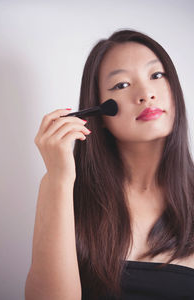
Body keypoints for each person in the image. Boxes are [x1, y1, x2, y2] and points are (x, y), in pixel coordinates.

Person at [25, 29, 194, 300]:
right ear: (99, 112)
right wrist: (59, 179)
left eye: (156, 75)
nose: (146, 93)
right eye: (122, 85)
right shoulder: (61, 187)